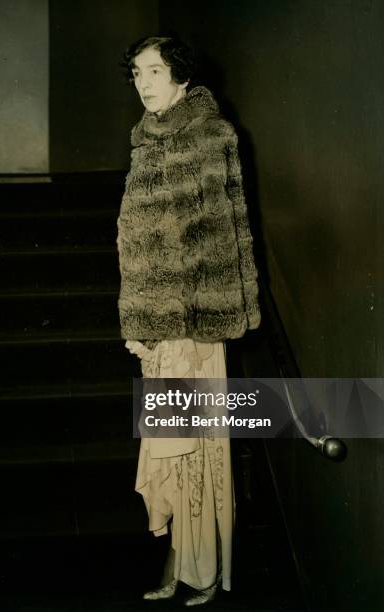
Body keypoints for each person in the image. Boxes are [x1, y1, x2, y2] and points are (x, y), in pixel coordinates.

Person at [117, 35, 260, 606]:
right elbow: (136, 245)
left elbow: (215, 242)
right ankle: (180, 563)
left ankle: (201, 572)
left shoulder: (207, 136)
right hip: (158, 327)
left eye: (155, 71)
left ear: (180, 76)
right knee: (169, 451)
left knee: (197, 451)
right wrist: (138, 320)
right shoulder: (145, 141)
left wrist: (169, 320)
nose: (144, 82)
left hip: (192, 327)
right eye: (136, 72)